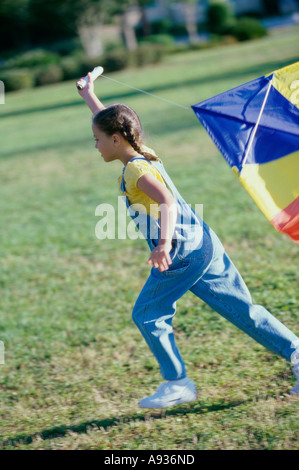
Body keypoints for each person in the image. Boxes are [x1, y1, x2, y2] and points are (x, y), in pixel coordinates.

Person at [77, 72, 299, 409]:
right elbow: (112, 123)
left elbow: (166, 201)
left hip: (181, 254)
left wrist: (163, 245)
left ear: (116, 139)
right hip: (204, 244)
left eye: (96, 139)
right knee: (243, 309)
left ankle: (177, 382)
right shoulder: (142, 152)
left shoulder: (137, 171)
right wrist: (89, 95)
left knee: (147, 314)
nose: (94, 145)